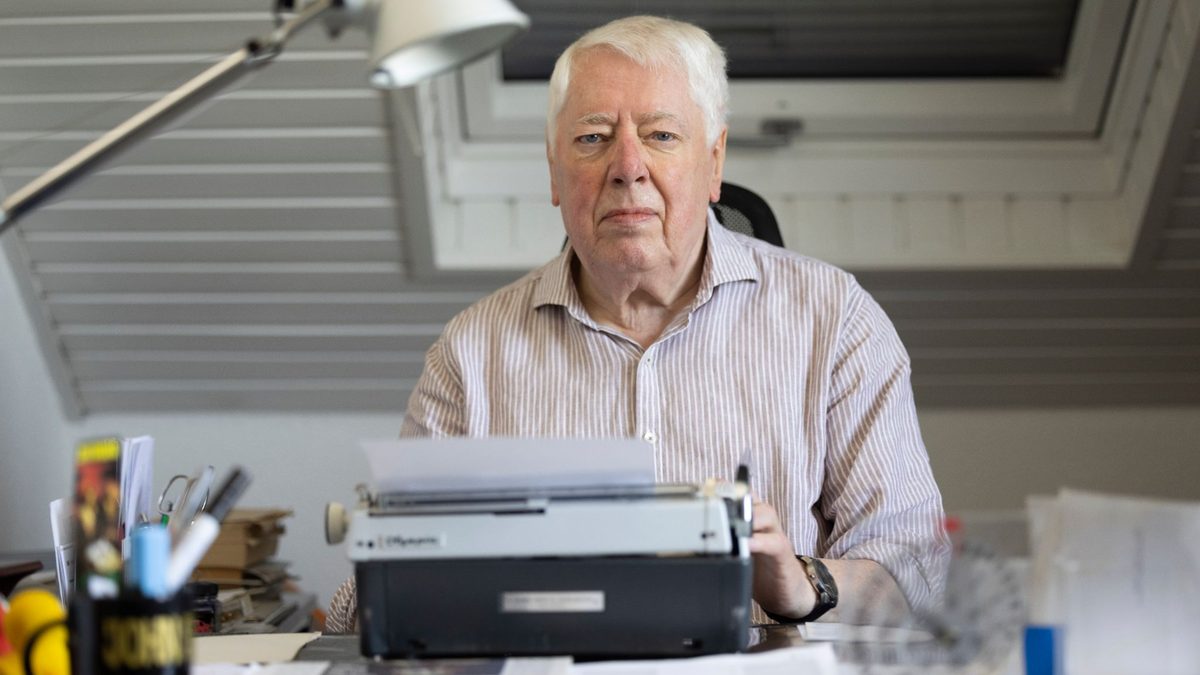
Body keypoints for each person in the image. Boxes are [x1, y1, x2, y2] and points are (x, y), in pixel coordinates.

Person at [326, 15, 949, 632]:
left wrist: (802, 582)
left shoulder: (836, 320)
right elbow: (383, 587)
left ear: (713, 162)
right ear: (552, 171)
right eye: (593, 137)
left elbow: (917, 575)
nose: (627, 166)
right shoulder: (471, 352)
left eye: (660, 135)